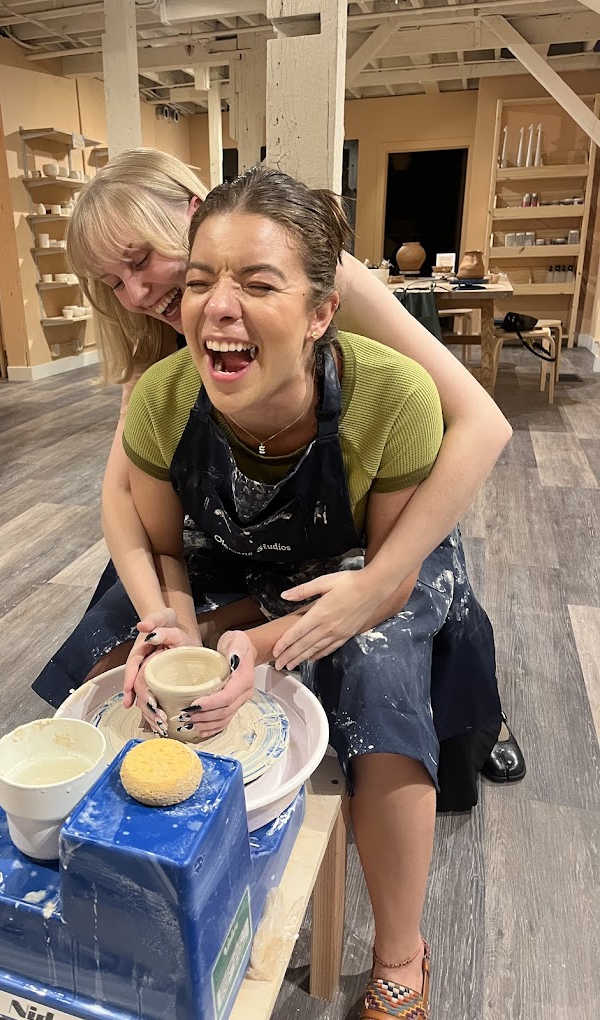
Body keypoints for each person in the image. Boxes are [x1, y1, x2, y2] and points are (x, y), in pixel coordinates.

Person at [96, 166, 505, 1017]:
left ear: (321, 309)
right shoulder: (162, 390)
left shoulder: (385, 388)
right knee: (116, 654)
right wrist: (175, 627)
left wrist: (275, 635)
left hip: (374, 553)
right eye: (198, 282)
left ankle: (401, 948)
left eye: (254, 283)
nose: (147, 294)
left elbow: (392, 547)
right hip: (247, 548)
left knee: (378, 671)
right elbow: (149, 536)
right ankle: (149, 877)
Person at [32, 148, 524, 785]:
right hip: (241, 513)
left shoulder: (308, 269)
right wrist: (164, 613)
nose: (136, 293)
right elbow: (120, 497)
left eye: (139, 262)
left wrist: (379, 580)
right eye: (112, 283)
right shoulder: (159, 339)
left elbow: (482, 424)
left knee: (402, 615)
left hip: (361, 504)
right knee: (125, 628)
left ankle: (475, 717)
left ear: (192, 215)